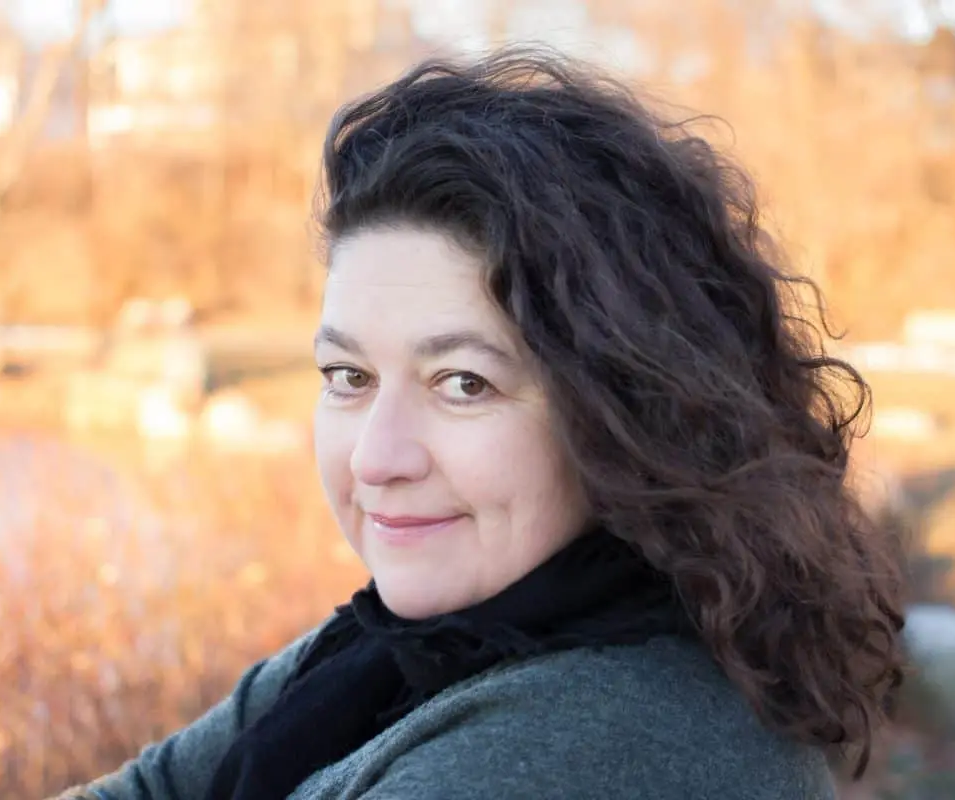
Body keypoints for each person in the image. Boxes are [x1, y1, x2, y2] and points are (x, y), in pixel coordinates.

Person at [56, 46, 905, 800]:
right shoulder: (421, 644)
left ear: (630, 412)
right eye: (348, 376)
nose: (377, 458)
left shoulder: (581, 746)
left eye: (464, 382)